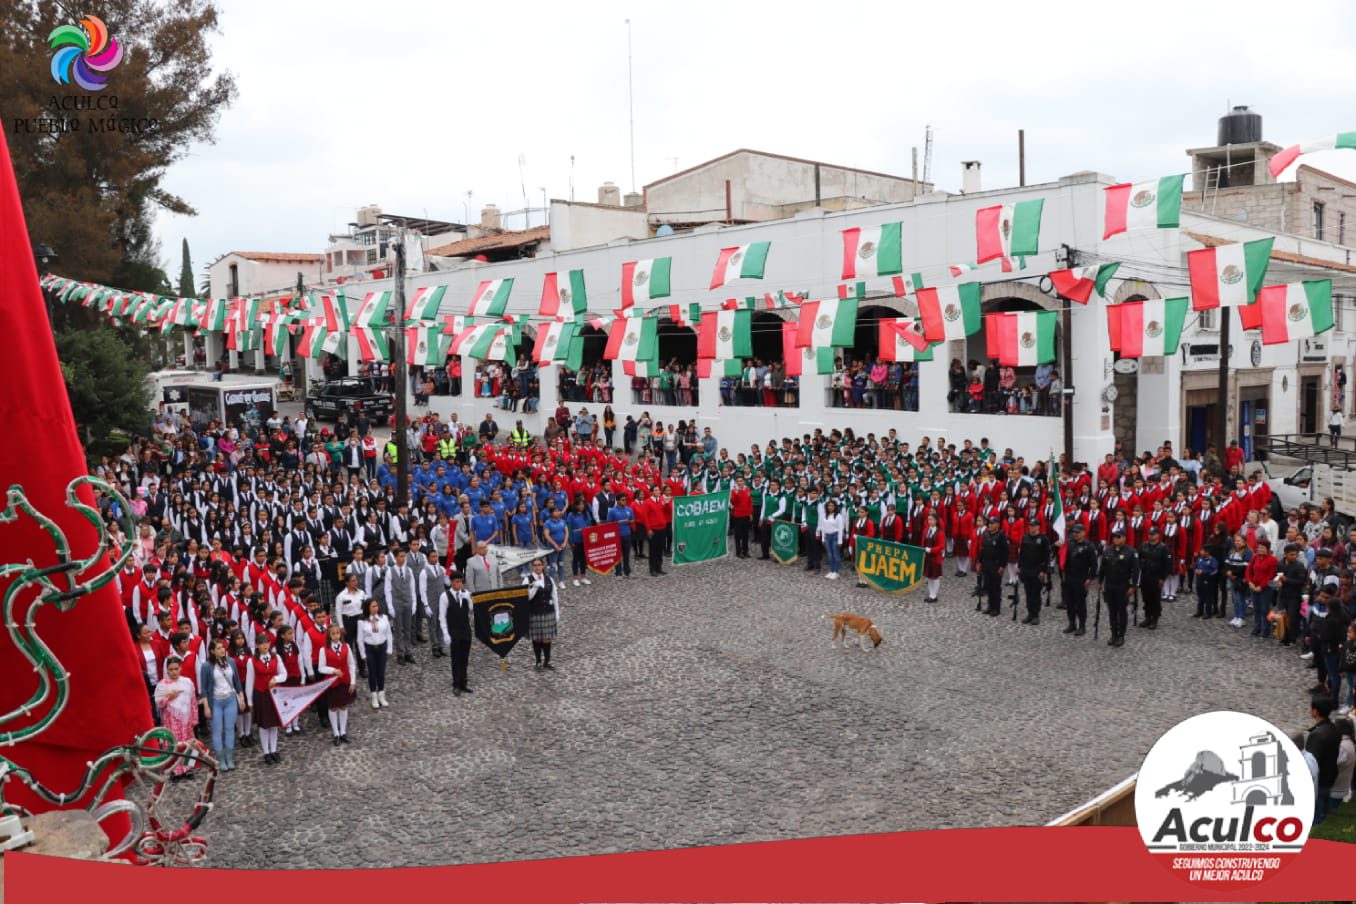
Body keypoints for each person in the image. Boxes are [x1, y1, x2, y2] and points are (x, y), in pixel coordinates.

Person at [197, 640, 244, 771]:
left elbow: (237, 682)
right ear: (212, 651)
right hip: (215, 702)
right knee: (217, 731)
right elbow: (204, 689)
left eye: (223, 647)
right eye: (218, 648)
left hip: (230, 699)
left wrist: (242, 698)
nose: (222, 650)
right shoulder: (207, 666)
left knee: (229, 729)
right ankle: (220, 758)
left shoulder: (231, 662)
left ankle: (229, 757)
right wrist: (206, 706)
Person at [154, 657, 199, 778]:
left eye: (176, 669)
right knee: (173, 745)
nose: (174, 672)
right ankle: (175, 769)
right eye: (171, 669)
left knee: (189, 743)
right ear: (167, 670)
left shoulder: (187, 682)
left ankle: (189, 767)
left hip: (186, 719)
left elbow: (193, 701)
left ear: (180, 668)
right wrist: (169, 697)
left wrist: (194, 718)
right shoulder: (162, 685)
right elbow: (158, 703)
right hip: (171, 721)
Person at [316, 621, 358, 746]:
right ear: (329, 636)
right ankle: (336, 733)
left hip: (344, 681)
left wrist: (353, 681)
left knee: (343, 706)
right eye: (333, 634)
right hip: (332, 683)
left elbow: (351, 664)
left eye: (337, 633)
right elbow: (321, 667)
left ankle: (343, 731)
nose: (335, 636)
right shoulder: (324, 650)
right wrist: (333, 670)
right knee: (333, 707)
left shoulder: (346, 647)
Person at [245, 634, 285, 765]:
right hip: (261, 694)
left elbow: (284, 674)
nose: (265, 645)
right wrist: (250, 702)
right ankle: (266, 752)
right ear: (257, 645)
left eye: (267, 642)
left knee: (273, 724)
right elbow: (249, 682)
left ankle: (273, 750)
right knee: (263, 724)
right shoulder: (252, 661)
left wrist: (276, 679)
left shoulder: (276, 657)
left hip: (274, 694)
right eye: (262, 643)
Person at [1099, 529, 1138, 648]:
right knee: (1112, 611)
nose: (1116, 539)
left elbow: (1136, 571)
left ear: (1124, 538)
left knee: (1121, 611)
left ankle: (1121, 635)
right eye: (1114, 536)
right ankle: (1113, 634)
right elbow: (1103, 568)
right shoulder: (1108, 551)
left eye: (1118, 536)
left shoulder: (1131, 552)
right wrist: (1100, 582)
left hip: (1123, 585)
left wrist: (1133, 586)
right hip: (1110, 585)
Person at [1307, 695, 1341, 825]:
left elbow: (1312, 763)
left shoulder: (1317, 735)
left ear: (1316, 711)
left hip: (1320, 782)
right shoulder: (1333, 729)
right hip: (1330, 777)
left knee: (1316, 818)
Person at [440, 571, 475, 695]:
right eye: (456, 582)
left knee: (464, 658)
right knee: (456, 659)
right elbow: (442, 616)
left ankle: (463, 682)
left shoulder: (466, 593)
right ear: (451, 582)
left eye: (460, 581)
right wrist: (445, 633)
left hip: (465, 630)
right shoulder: (445, 596)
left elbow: (472, 610)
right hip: (453, 631)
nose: (458, 584)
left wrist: (469, 599)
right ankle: (456, 684)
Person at [1061, 523, 1098, 636]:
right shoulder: (1070, 543)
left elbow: (1094, 564)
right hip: (1069, 576)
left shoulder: (1089, 546)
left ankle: (1082, 626)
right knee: (1069, 602)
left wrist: (1090, 578)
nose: (1075, 534)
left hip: (1081, 577)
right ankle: (1072, 623)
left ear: (1083, 533)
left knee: (1080, 603)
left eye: (1078, 532)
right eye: (1074, 532)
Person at [385, 549, 419, 665]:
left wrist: (414, 603)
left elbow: (412, 588)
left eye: (404, 556)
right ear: (395, 558)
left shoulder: (408, 570)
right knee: (399, 630)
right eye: (400, 556)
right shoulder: (390, 571)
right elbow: (388, 590)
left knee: (408, 628)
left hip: (408, 602)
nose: (403, 559)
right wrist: (390, 606)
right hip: (397, 603)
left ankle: (408, 651)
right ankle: (400, 653)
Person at [526, 557, 560, 671]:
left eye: (539, 564)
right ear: (532, 567)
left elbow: (554, 596)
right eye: (535, 565)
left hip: (548, 612)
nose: (537, 567)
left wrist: (557, 613)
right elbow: (527, 598)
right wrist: (534, 588)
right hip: (535, 613)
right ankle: (538, 662)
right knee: (537, 639)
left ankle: (547, 661)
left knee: (547, 639)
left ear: (543, 566)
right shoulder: (527, 580)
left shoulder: (549, 579)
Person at [1017, 517, 1050, 625]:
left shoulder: (1043, 539)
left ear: (1038, 527)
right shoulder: (1025, 537)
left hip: (1037, 569)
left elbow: (1046, 557)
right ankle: (1030, 613)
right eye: (1030, 526)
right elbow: (1021, 554)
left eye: (1034, 526)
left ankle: (1035, 614)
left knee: (1035, 593)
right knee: (1028, 592)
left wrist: (1043, 571)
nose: (1031, 528)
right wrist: (1019, 566)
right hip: (1026, 569)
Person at [1137, 525, 1170, 630]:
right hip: (1145, 575)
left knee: (1155, 599)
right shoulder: (1143, 546)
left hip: (1156, 577)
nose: (1151, 536)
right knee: (1146, 598)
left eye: (1153, 534)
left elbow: (1167, 564)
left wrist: (1162, 578)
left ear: (1158, 535)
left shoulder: (1163, 547)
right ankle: (1147, 617)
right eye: (1149, 534)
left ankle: (1154, 619)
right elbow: (1138, 559)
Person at [978, 518, 1008, 617]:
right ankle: (990, 606)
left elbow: (1005, 552)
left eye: (992, 524)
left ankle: (996, 608)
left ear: (997, 525)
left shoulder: (1001, 535)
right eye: (989, 523)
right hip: (986, 563)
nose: (990, 525)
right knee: (988, 586)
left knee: (995, 587)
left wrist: (1002, 566)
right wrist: (979, 562)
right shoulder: (986, 534)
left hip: (996, 565)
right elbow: (982, 549)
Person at [817, 499, 846, 581]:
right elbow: (823, 527)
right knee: (829, 554)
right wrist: (823, 538)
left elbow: (840, 529)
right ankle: (831, 570)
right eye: (829, 506)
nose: (830, 507)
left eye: (832, 506)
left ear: (835, 507)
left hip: (835, 536)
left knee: (835, 554)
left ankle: (836, 572)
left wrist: (840, 541)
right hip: (827, 536)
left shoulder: (838, 516)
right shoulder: (824, 515)